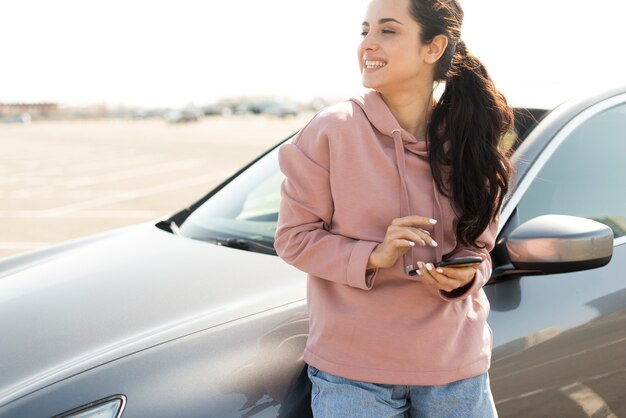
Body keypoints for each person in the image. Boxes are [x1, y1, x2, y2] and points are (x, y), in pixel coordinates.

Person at [274, 0, 513, 416]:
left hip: (456, 371)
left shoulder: (470, 139)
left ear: (434, 46)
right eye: (365, 30)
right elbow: (293, 238)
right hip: (353, 376)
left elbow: (482, 250)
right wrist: (373, 255)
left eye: (387, 30)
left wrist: (461, 277)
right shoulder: (333, 129)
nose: (368, 43)